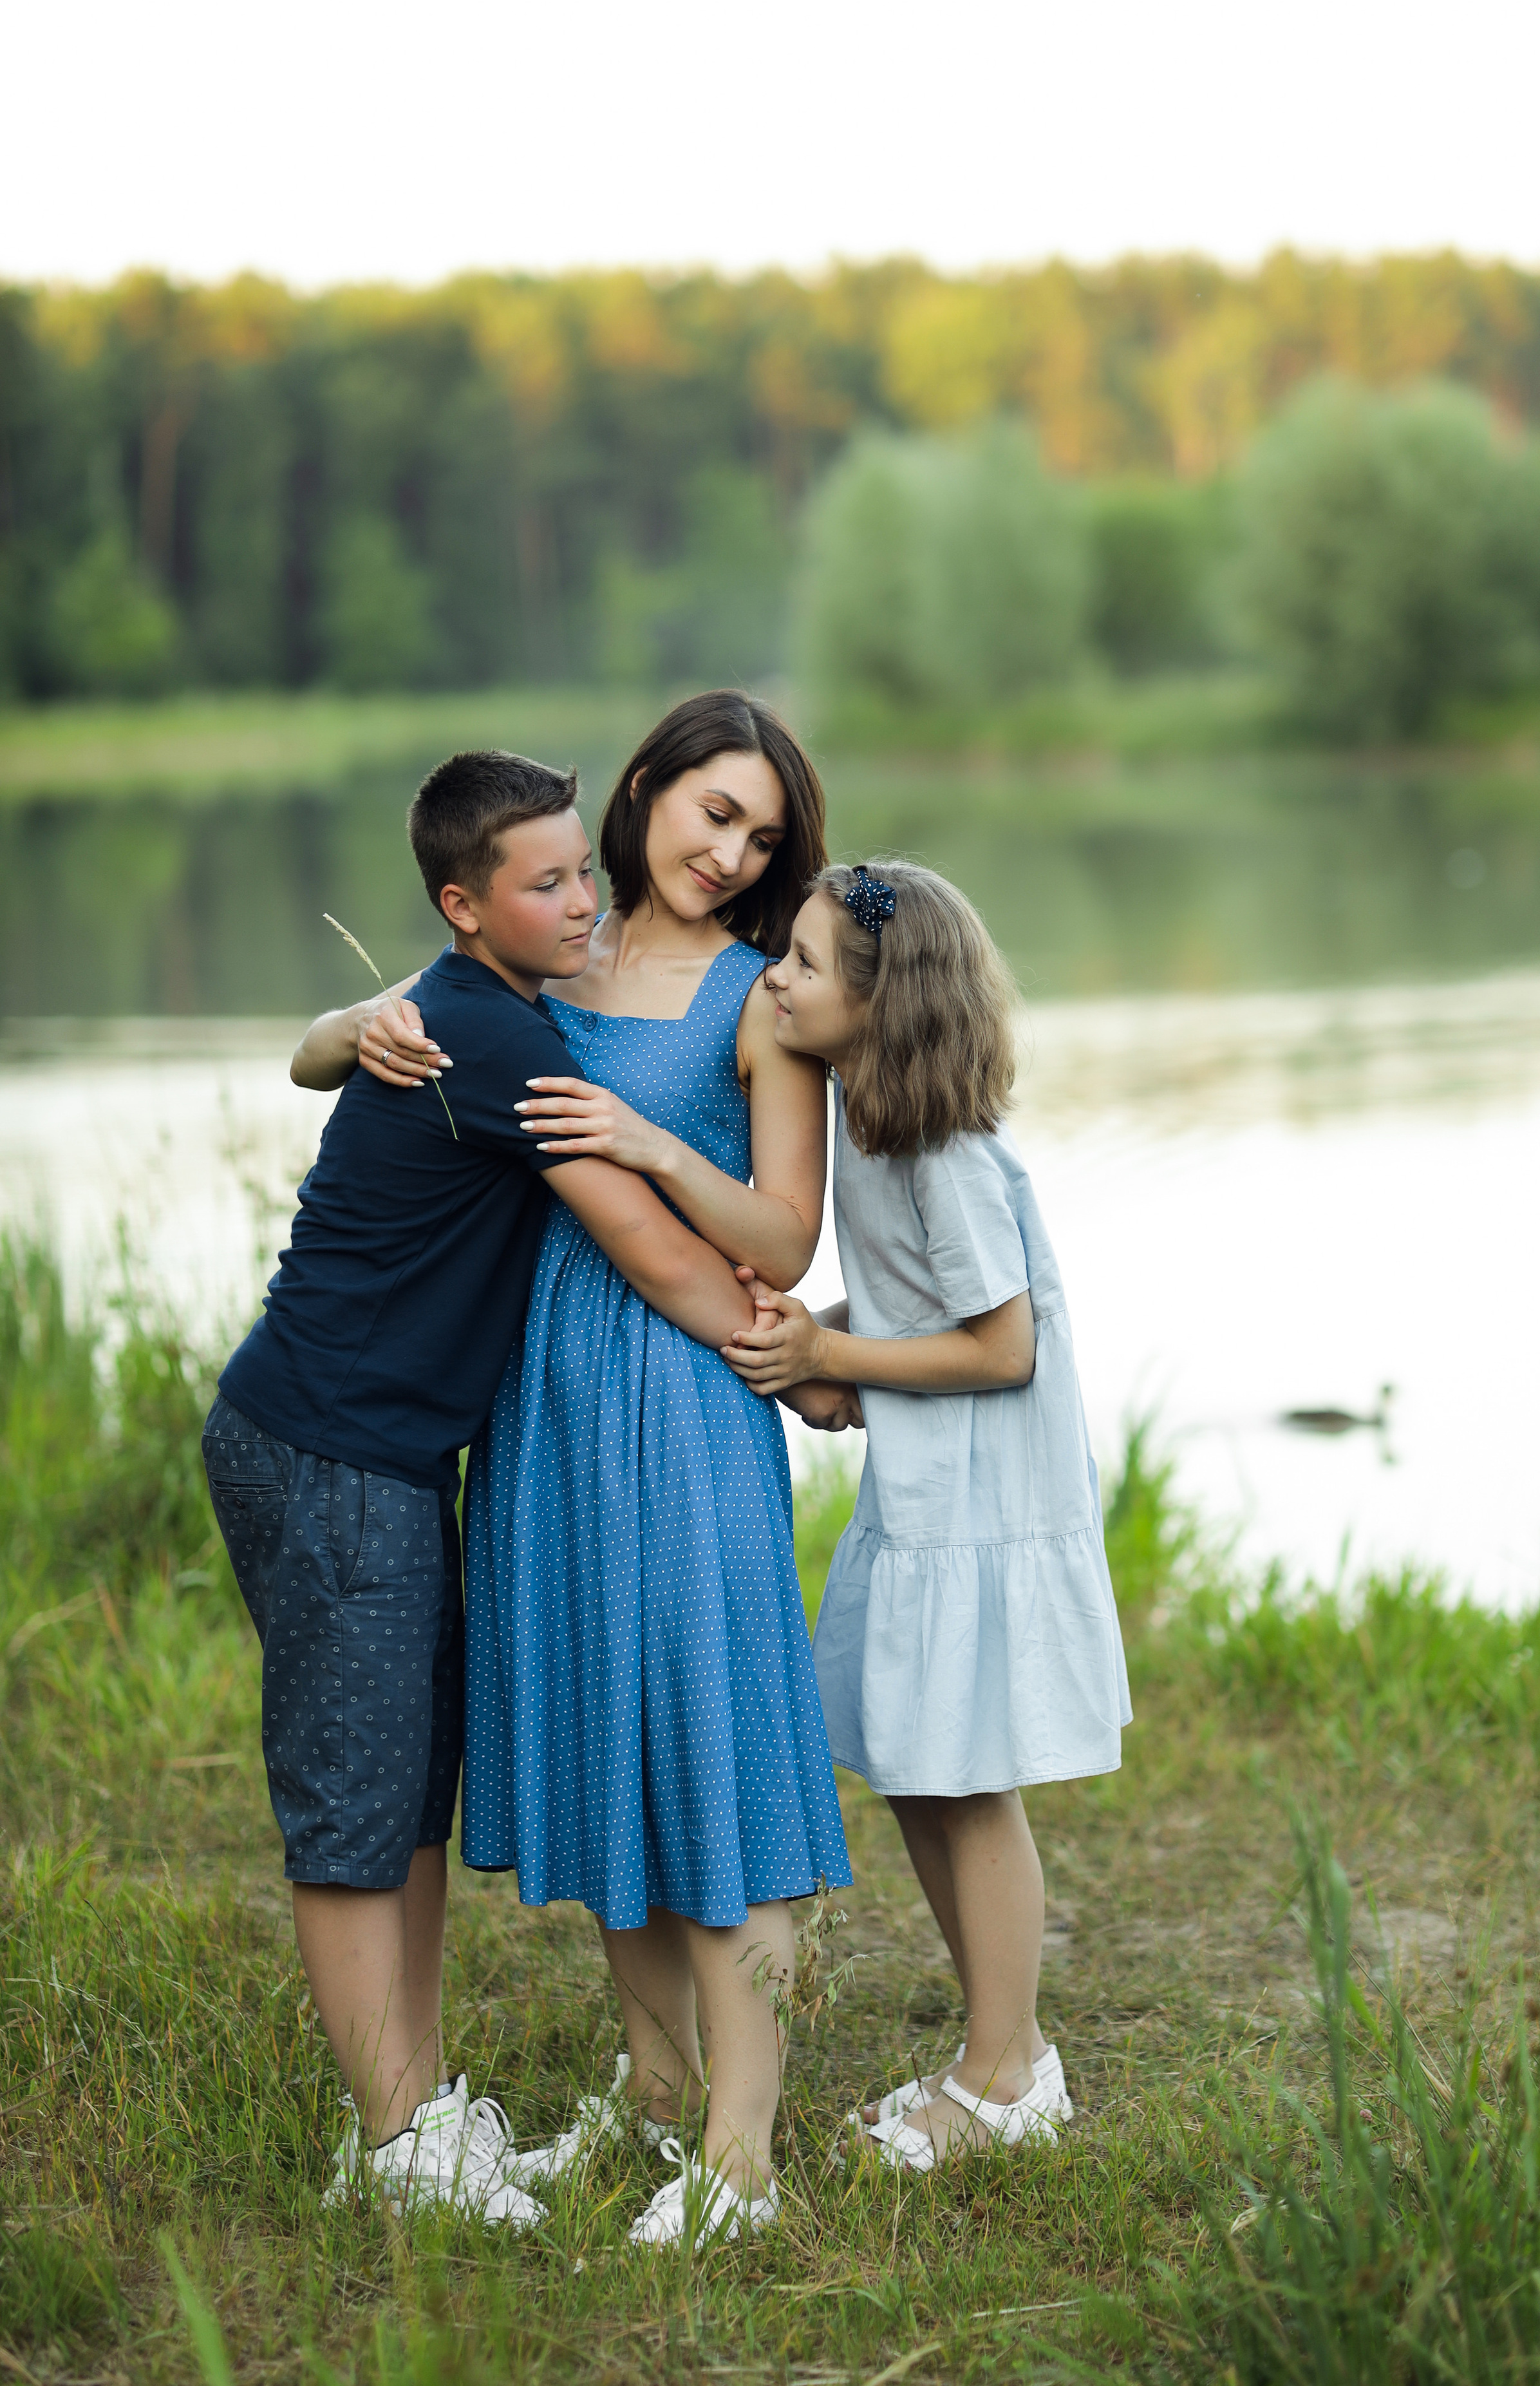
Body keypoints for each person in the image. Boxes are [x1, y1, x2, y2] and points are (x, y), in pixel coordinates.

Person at [206, 748, 765, 2226]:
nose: (584, 898)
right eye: (547, 881)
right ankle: (393, 2148)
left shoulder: (484, 1003)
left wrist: (334, 1029)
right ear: (465, 907)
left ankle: (423, 2110)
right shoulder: (497, 1038)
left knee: (407, 1792)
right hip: (326, 1446)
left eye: (585, 866)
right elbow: (649, 1251)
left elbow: (332, 1049)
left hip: (385, 1455)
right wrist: (809, 1366)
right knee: (353, 1802)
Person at [357, 691, 855, 2250]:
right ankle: (649, 2098)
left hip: (684, 1391)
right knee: (602, 1737)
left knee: (707, 1734)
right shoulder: (546, 954)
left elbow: (784, 1238)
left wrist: (650, 1149)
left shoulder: (757, 997)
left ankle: (742, 2152)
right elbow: (371, 1037)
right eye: (713, 812)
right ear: (642, 790)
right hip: (541, 1392)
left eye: (761, 837)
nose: (730, 853)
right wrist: (349, 1027)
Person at [722, 860, 1132, 2170]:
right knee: (914, 1768)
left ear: (878, 999)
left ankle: (1009, 2075)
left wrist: (833, 1360)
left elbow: (999, 1346)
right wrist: (823, 1337)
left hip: (983, 1509)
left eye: (796, 960)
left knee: (965, 1783)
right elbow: (914, 1317)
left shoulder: (944, 1157)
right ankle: (990, 2046)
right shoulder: (865, 1122)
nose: (771, 977)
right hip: (925, 1504)